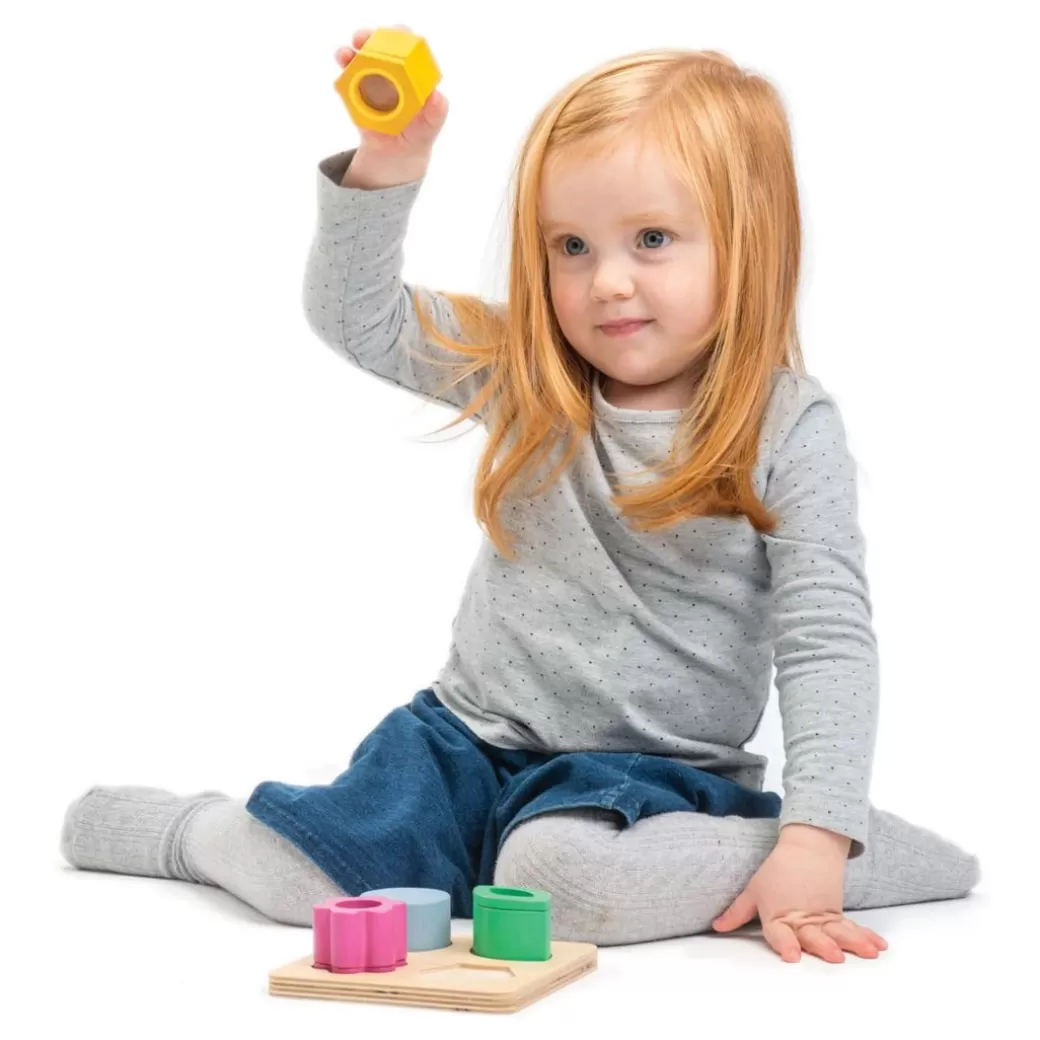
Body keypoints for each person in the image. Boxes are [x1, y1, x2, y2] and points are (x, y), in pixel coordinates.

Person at [61, 29, 980, 964]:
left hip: (645, 778)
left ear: (749, 244)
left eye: (652, 240)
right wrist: (390, 163)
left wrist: (817, 833)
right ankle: (187, 833)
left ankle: (838, 847)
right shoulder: (528, 368)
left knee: (559, 884)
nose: (606, 281)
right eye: (571, 246)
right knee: (306, 881)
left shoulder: (788, 427)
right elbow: (355, 317)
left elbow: (826, 638)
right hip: (462, 741)